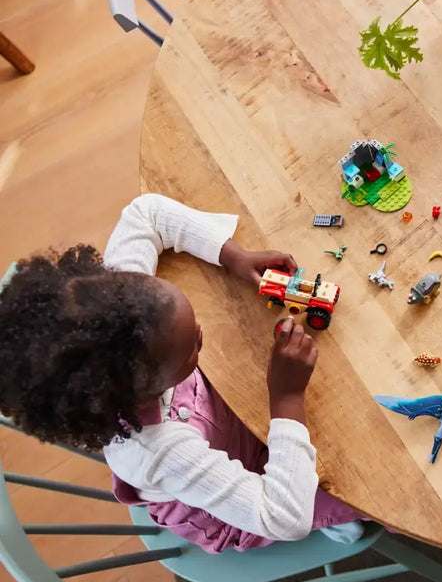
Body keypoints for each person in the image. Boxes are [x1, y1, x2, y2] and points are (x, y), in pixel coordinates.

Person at [0, 194, 363, 552]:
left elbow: (148, 213)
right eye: (191, 348)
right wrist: (286, 398)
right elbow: (284, 516)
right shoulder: (161, 453)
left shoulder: (121, 306)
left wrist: (232, 256)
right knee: (361, 493)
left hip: (228, 417)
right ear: (145, 388)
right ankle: (335, 523)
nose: (202, 333)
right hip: (232, 497)